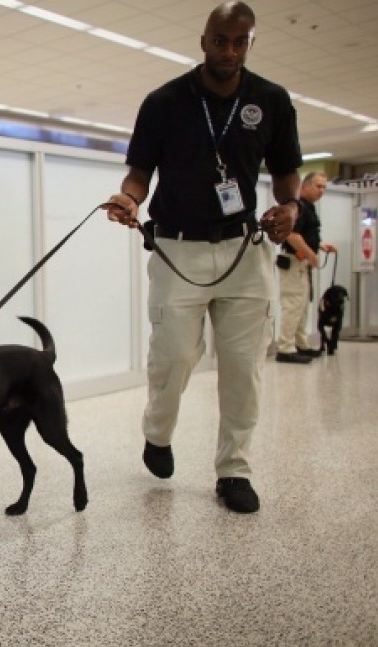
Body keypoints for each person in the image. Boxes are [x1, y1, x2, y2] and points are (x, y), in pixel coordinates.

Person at [104, 1, 302, 514]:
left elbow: (286, 174)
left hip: (244, 250)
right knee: (173, 357)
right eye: (220, 40)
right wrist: (130, 199)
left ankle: (234, 470)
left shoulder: (272, 101)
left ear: (250, 43)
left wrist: (290, 208)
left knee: (244, 369)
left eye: (239, 42)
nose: (229, 51)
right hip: (177, 250)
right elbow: (139, 172)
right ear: (204, 40)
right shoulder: (164, 101)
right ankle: (157, 431)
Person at [275, 171, 337, 363]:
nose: (322, 191)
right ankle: (285, 348)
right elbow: (292, 235)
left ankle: (300, 344)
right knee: (293, 305)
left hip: (301, 263)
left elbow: (305, 234)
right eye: (318, 186)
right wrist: (311, 255)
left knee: (302, 305)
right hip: (294, 263)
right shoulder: (298, 207)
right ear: (305, 185)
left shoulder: (308, 207)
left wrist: (319, 245)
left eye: (324, 187)